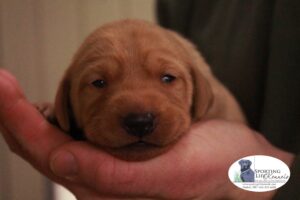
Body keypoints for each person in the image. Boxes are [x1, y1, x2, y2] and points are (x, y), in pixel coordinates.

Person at [0, 1, 299, 200]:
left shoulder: (215, 100)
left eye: (168, 78)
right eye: (99, 82)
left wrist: (262, 179)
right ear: (65, 100)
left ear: (200, 92)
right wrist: (57, 121)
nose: (139, 115)